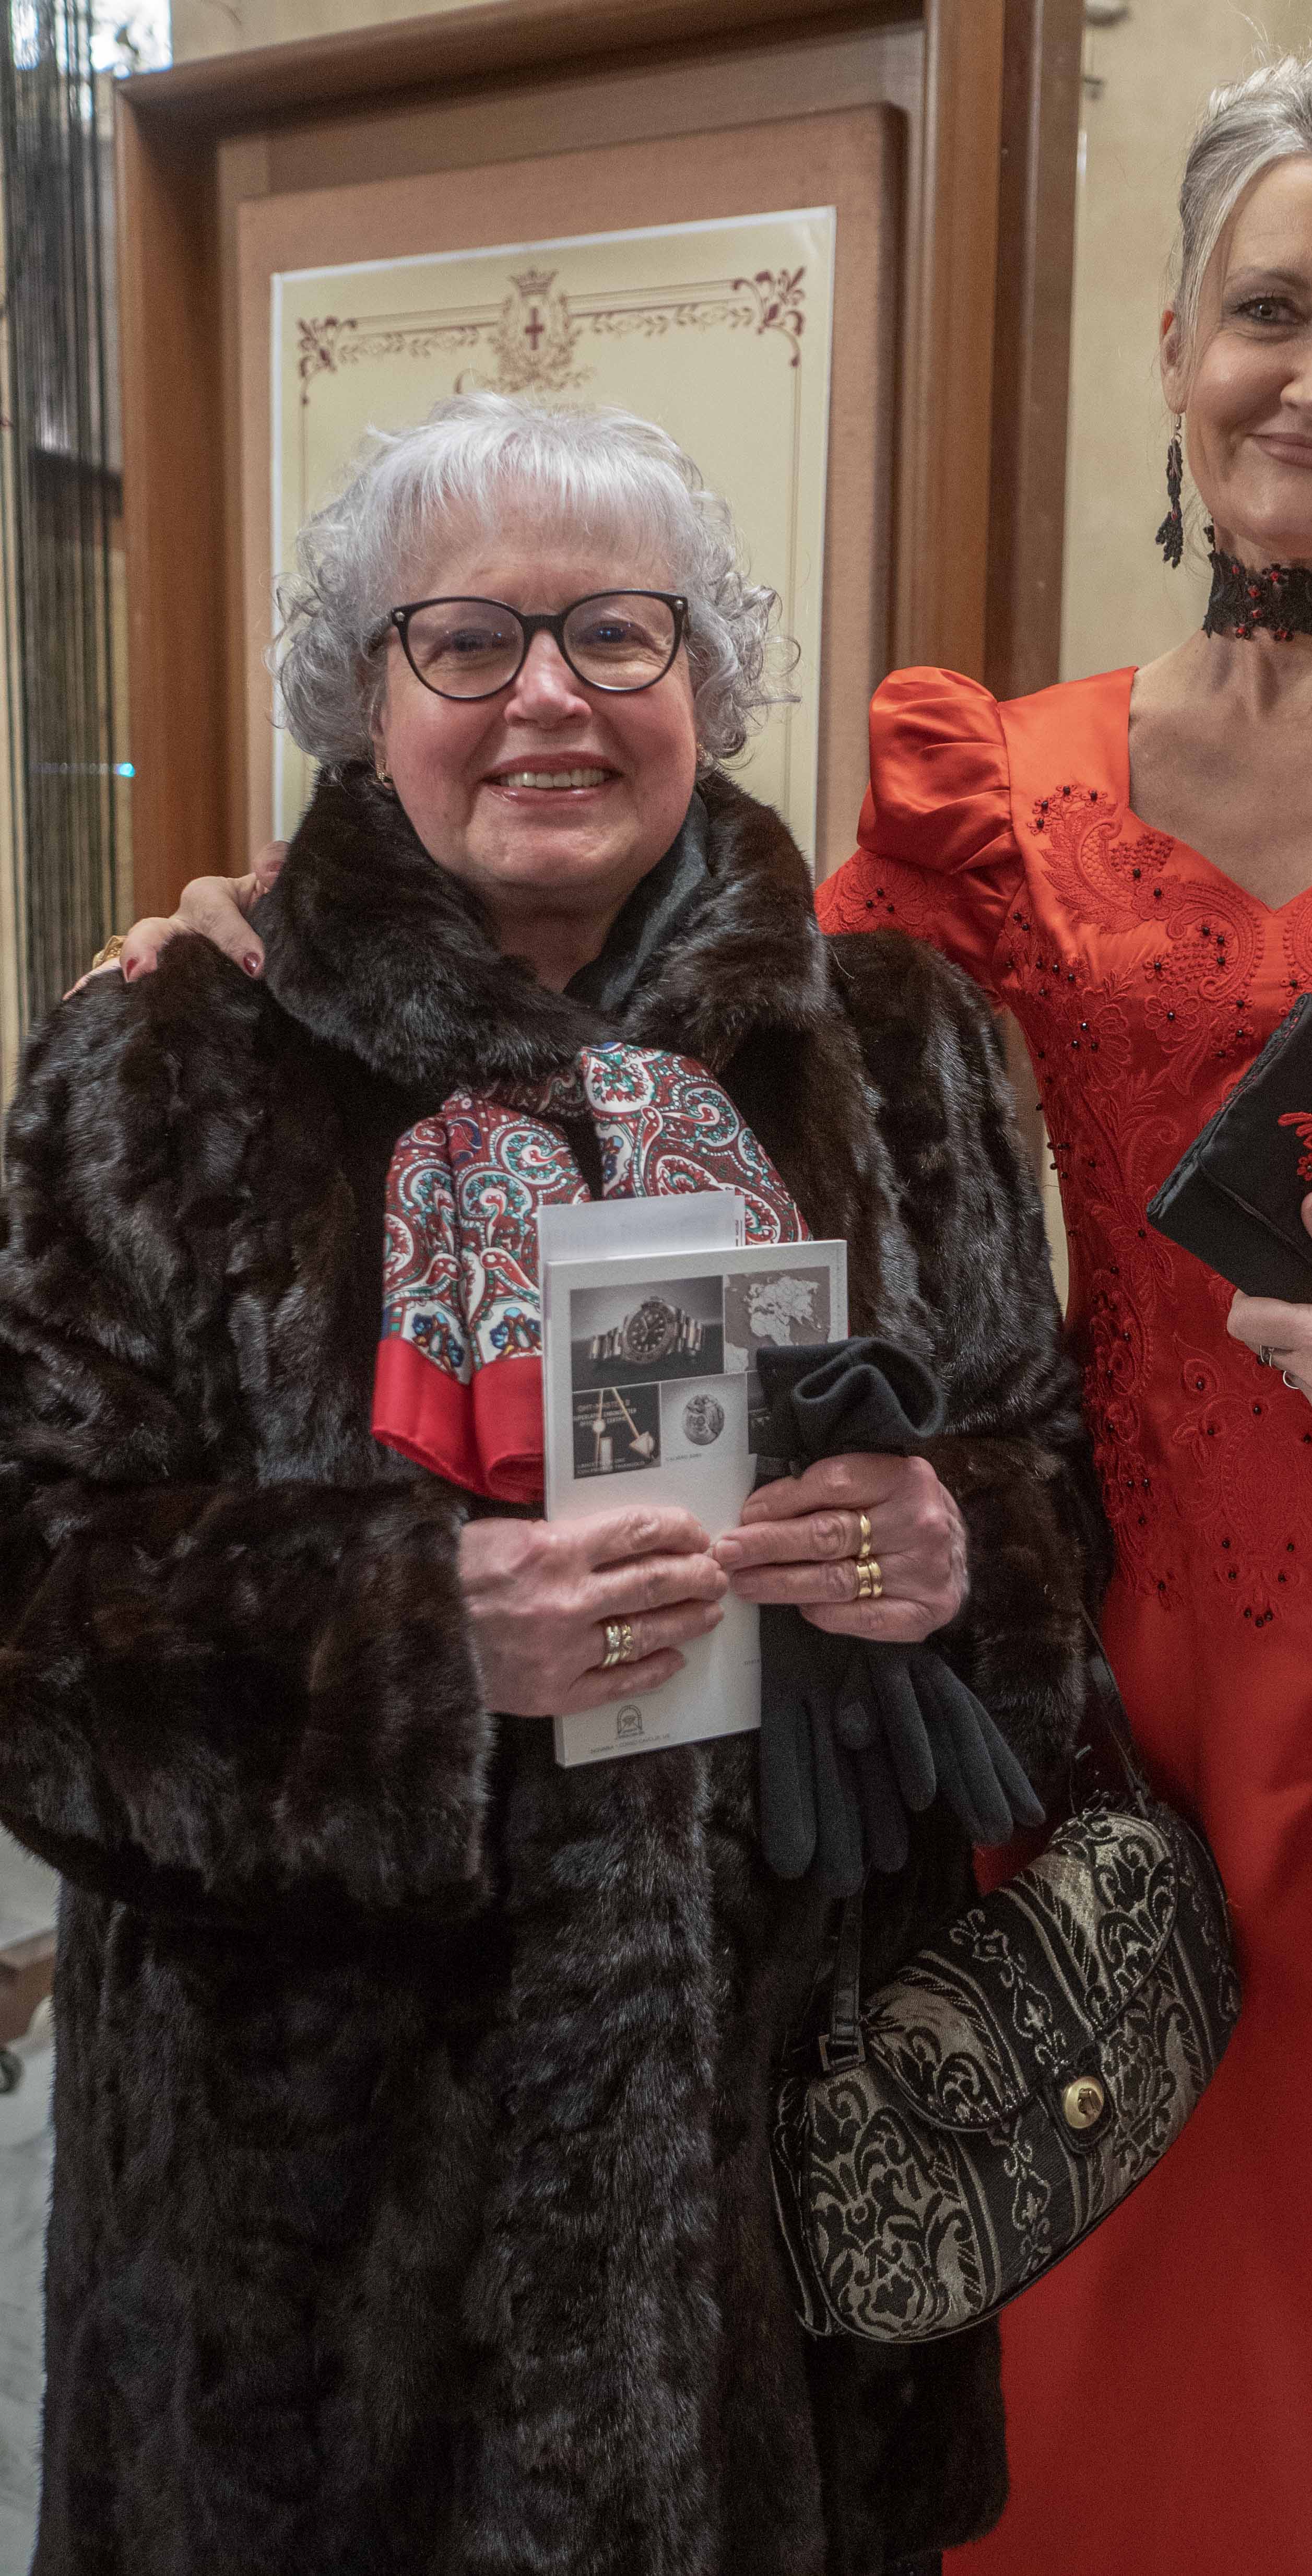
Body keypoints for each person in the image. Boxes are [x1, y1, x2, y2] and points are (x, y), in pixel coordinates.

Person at [105, 51, 1312, 2567]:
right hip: (1080, 1677)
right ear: (1174, 346)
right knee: (1076, 2314)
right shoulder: (1008, 782)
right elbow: (708, 1002)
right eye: (1268, 310)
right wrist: (297, 906)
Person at [0, 397, 1100, 2576]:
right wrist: (416, 1632)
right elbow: (33, 1603)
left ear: (705, 675)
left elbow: (1055, 1484)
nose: (549, 700)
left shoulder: (898, 1045)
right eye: (466, 641)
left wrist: (958, 1547)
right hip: (312, 2277)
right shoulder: (165, 1055)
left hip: (792, 2213)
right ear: (364, 695)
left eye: (616, 632)